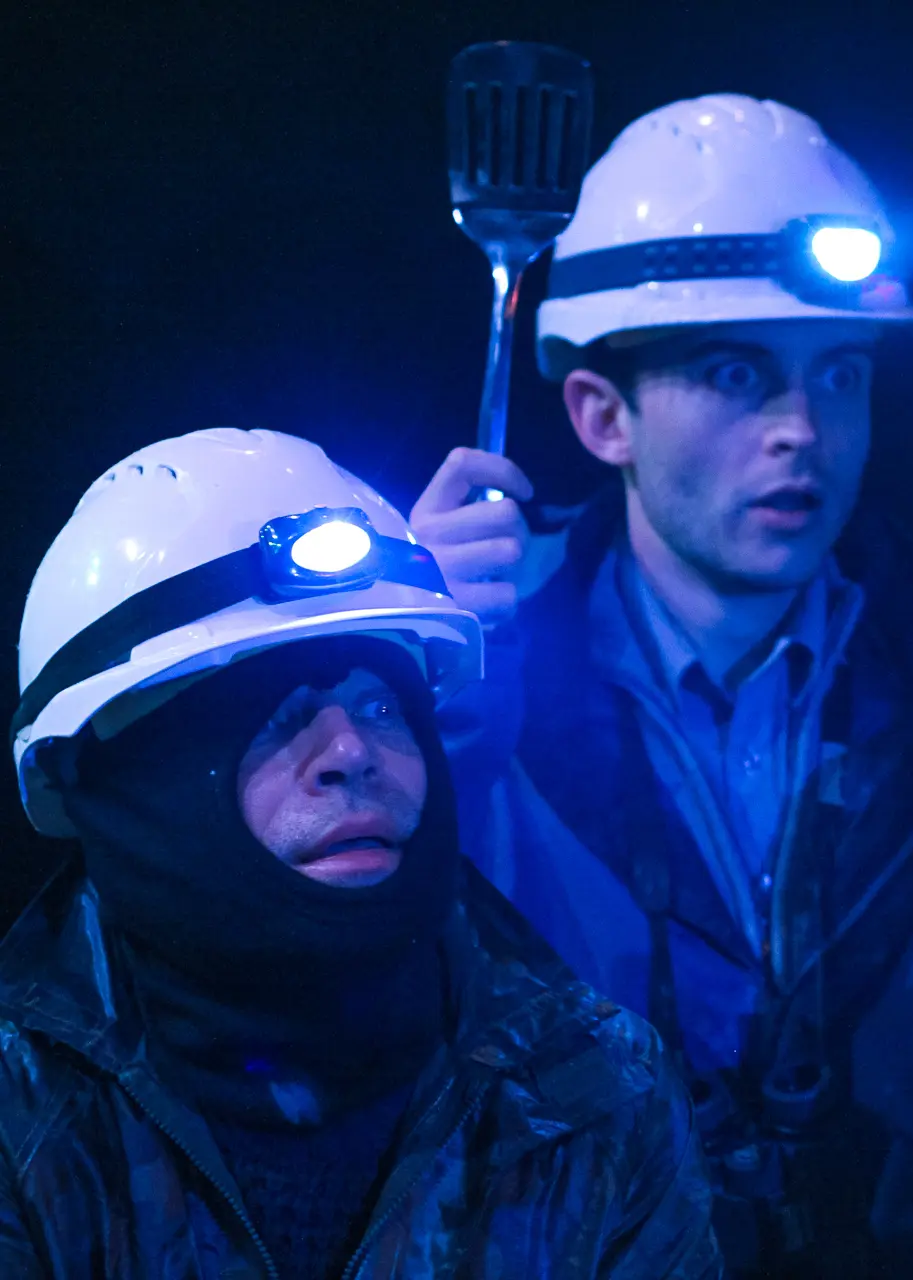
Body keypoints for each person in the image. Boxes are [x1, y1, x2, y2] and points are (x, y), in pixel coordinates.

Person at [412, 94, 913, 1276]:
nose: (803, 431)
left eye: (840, 375)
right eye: (737, 373)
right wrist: (416, 711)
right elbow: (351, 1013)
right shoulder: (477, 674)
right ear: (602, 414)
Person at [1, 428, 720, 1279]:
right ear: (120, 778)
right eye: (273, 715)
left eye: (383, 707)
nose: (350, 752)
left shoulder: (597, 1092)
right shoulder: (18, 1119)